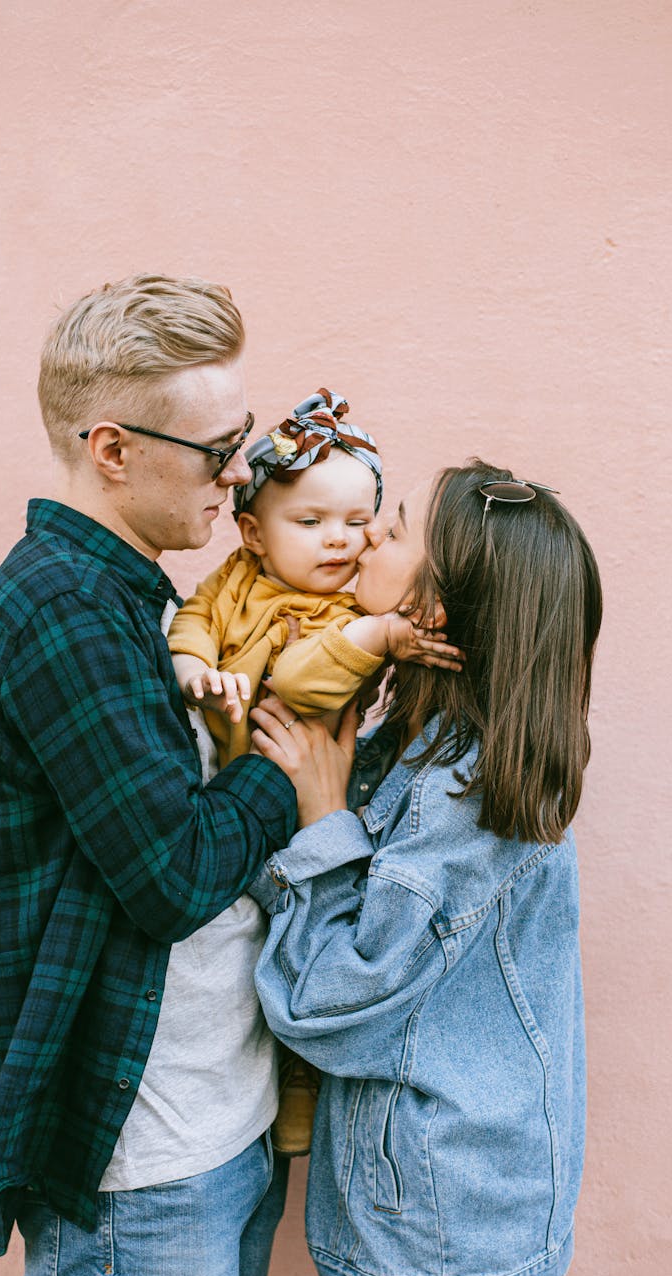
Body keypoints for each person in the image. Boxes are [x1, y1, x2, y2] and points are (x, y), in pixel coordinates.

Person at [0, 273, 302, 1276]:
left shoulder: (146, 600)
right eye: (216, 451)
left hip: (218, 1135)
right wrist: (294, 756)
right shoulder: (61, 612)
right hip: (142, 1178)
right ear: (112, 449)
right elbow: (176, 879)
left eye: (244, 440)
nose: (240, 475)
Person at [247, 461, 603, 1276]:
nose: (368, 534)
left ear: (436, 613)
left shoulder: (461, 796)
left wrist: (324, 819)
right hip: (448, 1205)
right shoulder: (420, 746)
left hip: (444, 1225)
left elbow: (333, 1001)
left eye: (397, 529)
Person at [167, 389, 463, 1155]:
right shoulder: (236, 577)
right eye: (311, 523)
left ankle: (297, 1092)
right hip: (225, 799)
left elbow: (300, 682)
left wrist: (376, 634)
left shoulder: (347, 618)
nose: (345, 544)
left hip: (290, 810)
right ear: (253, 535)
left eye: (363, 524)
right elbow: (196, 613)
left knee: (296, 941)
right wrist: (192, 661)